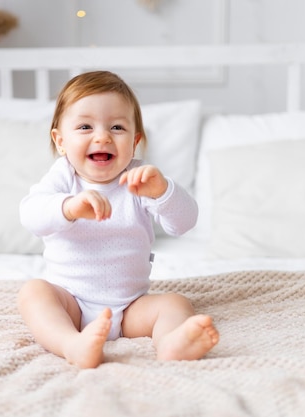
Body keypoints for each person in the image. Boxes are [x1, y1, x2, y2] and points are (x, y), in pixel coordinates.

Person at [18, 70, 219, 369]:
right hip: (70, 302)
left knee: (175, 303)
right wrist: (69, 208)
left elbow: (185, 223)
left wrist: (163, 192)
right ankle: (71, 343)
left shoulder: (140, 180)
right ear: (61, 141)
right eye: (85, 126)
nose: (102, 136)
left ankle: (171, 343)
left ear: (135, 140)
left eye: (117, 127)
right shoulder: (63, 179)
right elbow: (31, 215)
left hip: (129, 308)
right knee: (32, 293)